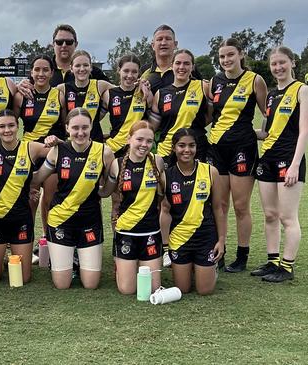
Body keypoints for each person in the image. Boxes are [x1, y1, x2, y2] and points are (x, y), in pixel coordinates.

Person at [31, 108, 114, 289]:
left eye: (85, 127)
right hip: (61, 219)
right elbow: (37, 178)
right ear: (67, 128)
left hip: (90, 220)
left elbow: (108, 189)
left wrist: (100, 190)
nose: (80, 132)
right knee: (62, 284)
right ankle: (68, 256)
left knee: (91, 284)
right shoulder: (57, 151)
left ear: (92, 127)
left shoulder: (104, 152)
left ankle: (76, 256)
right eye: (75, 128)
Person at [206, 38, 267, 272]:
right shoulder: (215, 81)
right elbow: (212, 115)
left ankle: (242, 256)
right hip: (217, 148)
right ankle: (219, 251)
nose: (226, 60)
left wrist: (261, 133)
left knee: (241, 206)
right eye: (222, 57)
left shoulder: (255, 80)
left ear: (241, 54)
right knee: (218, 204)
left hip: (243, 150)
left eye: (230, 55)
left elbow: (266, 112)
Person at [0, 109, 56, 284]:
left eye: (11, 125)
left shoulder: (30, 147)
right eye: (2, 126)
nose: (7, 130)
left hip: (21, 219)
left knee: (24, 278)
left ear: (18, 126)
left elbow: (62, 150)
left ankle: (9, 257)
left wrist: (55, 141)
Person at [253, 46, 308, 282]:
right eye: (274, 64)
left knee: (288, 217)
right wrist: (246, 131)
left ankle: (286, 267)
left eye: (282, 62)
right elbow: (267, 133)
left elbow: (304, 130)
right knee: (270, 215)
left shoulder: (302, 90)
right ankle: (273, 261)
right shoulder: (272, 95)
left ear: (292, 63)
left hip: (289, 160)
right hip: (267, 160)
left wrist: (295, 164)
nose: (278, 67)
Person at [100, 121, 165, 295]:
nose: (144, 145)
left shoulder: (157, 162)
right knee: (127, 290)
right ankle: (123, 264)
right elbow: (105, 192)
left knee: (153, 288)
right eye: (140, 139)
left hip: (150, 232)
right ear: (129, 139)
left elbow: (164, 194)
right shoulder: (117, 164)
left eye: (149, 141)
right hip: (126, 231)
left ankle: (136, 264)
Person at [160, 128, 226, 295]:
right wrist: (166, 245)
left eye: (191, 145)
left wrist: (221, 240)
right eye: (181, 145)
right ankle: (192, 267)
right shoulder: (166, 176)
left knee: (205, 290)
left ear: (197, 148)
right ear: (174, 148)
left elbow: (219, 208)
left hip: (205, 237)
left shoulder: (210, 172)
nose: (187, 150)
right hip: (179, 239)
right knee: (183, 289)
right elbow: (165, 211)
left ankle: (209, 268)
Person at [13, 55, 65, 238]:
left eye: (45, 70)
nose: (41, 73)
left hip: (52, 153)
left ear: (52, 72)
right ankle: (24, 240)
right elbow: (11, 123)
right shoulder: (22, 95)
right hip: (30, 154)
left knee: (49, 199)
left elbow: (65, 123)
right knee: (29, 199)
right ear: (31, 72)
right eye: (37, 69)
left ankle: (48, 238)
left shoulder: (59, 95)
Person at [149, 49, 211, 167]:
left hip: (195, 149)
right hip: (167, 150)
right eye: (178, 63)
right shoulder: (160, 94)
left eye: (186, 63)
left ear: (192, 67)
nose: (181, 67)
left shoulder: (203, 87)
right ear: (172, 66)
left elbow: (212, 115)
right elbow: (152, 126)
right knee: (166, 185)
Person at [18, 24, 109, 98]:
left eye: (69, 42)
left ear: (76, 44)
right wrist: (20, 86)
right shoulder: (43, 70)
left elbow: (114, 93)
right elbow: (25, 88)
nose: (64, 45)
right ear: (53, 44)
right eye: (59, 42)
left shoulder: (91, 71)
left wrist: (101, 113)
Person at [58, 50, 113, 143]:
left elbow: (124, 90)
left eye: (86, 65)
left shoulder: (100, 85)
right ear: (71, 68)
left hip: (95, 142)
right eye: (78, 65)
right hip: (73, 142)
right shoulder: (62, 88)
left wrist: (141, 84)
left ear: (91, 67)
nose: (82, 69)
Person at [103, 55, 153, 155]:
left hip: (138, 148)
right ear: (119, 70)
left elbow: (154, 120)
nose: (130, 75)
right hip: (114, 148)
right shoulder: (108, 94)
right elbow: (95, 119)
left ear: (139, 73)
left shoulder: (145, 92)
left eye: (134, 72)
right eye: (126, 71)